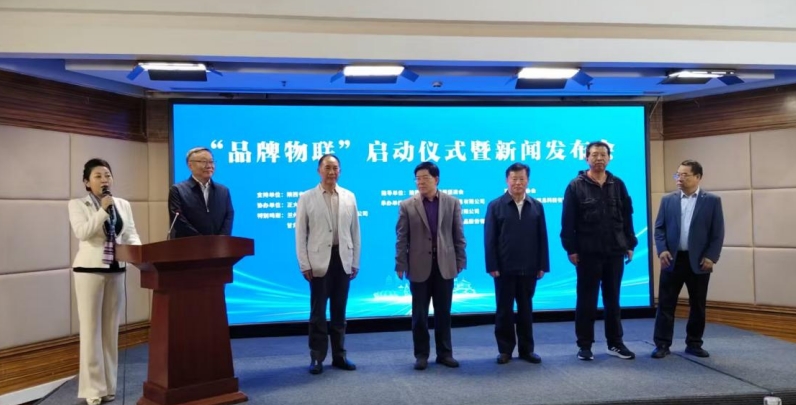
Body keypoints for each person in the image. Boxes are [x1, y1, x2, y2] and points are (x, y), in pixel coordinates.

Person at [68, 158, 141, 405]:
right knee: (91, 331)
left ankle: (108, 386)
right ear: (87, 182)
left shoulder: (122, 204)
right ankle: (92, 390)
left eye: (107, 175)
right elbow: (83, 232)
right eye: (98, 176)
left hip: (116, 269)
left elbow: (130, 234)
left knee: (110, 331)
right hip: (89, 270)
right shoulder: (77, 204)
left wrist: (141, 255)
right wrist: (102, 210)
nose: (104, 180)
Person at [560, 141, 638, 361]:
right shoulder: (575, 186)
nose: (599, 158)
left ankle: (615, 343)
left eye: (603, 154)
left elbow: (627, 216)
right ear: (586, 158)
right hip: (587, 253)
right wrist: (571, 249)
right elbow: (567, 221)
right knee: (586, 300)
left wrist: (629, 244)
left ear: (609, 158)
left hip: (614, 251)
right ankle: (585, 345)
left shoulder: (618, 184)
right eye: (594, 155)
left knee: (613, 300)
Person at [395, 161, 467, 370]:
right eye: (417, 179)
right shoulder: (407, 205)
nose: (420, 182)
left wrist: (460, 260)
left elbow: (458, 234)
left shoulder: (452, 202)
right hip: (418, 265)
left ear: (436, 179)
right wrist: (400, 263)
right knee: (419, 315)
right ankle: (421, 355)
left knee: (443, 313)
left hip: (445, 264)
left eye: (425, 178)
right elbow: (402, 238)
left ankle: (445, 353)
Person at [295, 154, 361, 374]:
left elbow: (355, 232)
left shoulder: (349, 196)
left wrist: (355, 261)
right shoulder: (307, 197)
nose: (331, 172)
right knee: (318, 313)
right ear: (319, 171)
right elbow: (300, 233)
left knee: (339, 311)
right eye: (327, 168)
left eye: (335, 168)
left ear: (340, 171)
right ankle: (317, 357)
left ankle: (339, 356)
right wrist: (304, 263)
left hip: (343, 259)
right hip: (318, 261)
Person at [652, 160, 724, 359]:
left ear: (698, 177)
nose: (679, 178)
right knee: (666, 304)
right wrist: (662, 250)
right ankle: (662, 344)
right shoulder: (668, 200)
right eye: (678, 174)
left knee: (698, 305)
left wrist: (711, 257)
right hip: (672, 260)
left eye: (685, 175)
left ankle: (694, 343)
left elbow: (717, 232)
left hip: (699, 261)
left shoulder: (712, 201)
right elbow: (659, 229)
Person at [484, 163, 549, 365]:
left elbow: (542, 237)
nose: (518, 182)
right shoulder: (495, 205)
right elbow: (490, 238)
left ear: (528, 180)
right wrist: (492, 265)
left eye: (522, 179)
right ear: (507, 180)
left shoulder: (536, 206)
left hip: (529, 267)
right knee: (504, 310)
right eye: (514, 179)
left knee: (526, 310)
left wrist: (542, 265)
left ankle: (527, 350)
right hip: (504, 268)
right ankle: (505, 350)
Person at [168, 147, 234, 238]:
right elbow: (179, 221)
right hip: (189, 244)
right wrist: (201, 241)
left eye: (211, 161)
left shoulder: (223, 191)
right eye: (204, 161)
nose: (209, 166)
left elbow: (228, 216)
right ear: (190, 165)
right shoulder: (178, 190)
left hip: (218, 245)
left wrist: (221, 239)